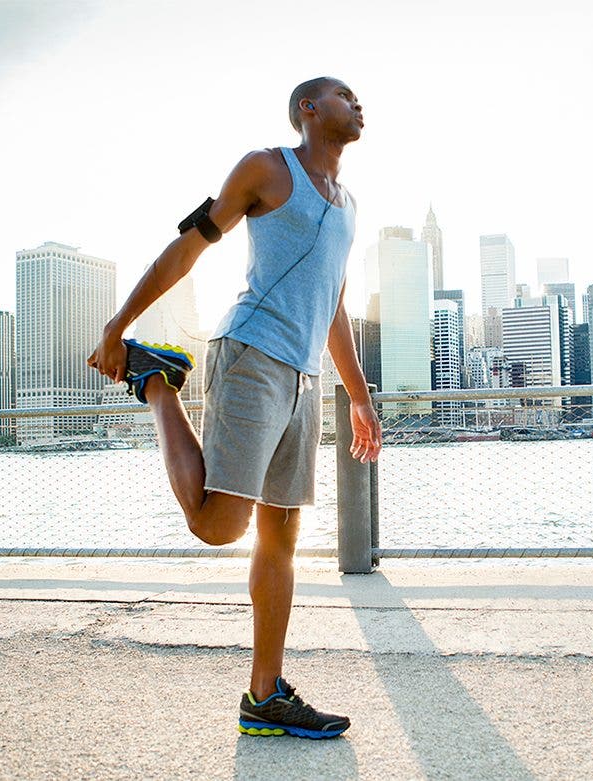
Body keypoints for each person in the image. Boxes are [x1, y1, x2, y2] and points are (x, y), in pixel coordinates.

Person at [87, 77, 381, 740]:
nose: (357, 104)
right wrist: (119, 322)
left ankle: (264, 694)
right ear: (308, 108)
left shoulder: (350, 205)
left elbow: (333, 305)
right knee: (218, 526)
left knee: (281, 538)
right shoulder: (267, 169)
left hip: (301, 379)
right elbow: (191, 242)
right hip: (250, 353)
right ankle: (157, 382)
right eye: (343, 94)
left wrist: (359, 397)